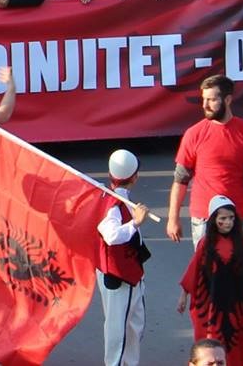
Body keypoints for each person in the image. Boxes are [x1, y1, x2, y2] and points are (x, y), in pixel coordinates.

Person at [167, 76, 243, 244]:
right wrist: (173, 218)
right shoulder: (194, 134)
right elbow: (180, 180)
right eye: (204, 99)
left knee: (235, 262)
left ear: (227, 100)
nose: (205, 105)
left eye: (212, 100)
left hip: (235, 217)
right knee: (206, 262)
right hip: (203, 218)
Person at [177, 195, 243, 366]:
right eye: (223, 218)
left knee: (239, 338)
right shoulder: (206, 243)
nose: (228, 222)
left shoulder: (241, 242)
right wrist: (184, 294)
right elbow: (194, 270)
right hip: (212, 303)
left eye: (231, 218)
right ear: (214, 220)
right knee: (213, 338)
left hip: (237, 302)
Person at [95, 148, 151, 366]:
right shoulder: (113, 205)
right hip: (119, 275)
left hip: (128, 272)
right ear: (134, 177)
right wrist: (135, 223)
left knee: (134, 325)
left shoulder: (114, 198)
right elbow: (111, 235)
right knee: (118, 330)